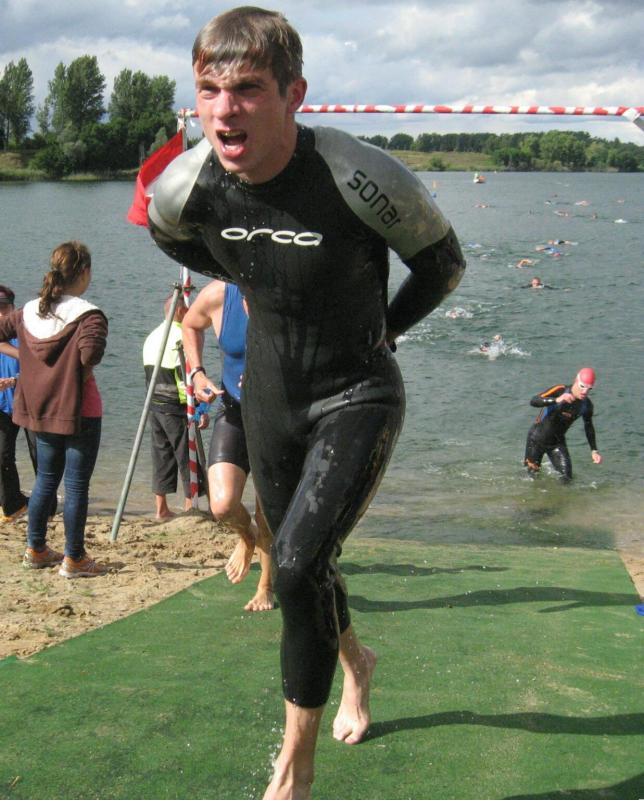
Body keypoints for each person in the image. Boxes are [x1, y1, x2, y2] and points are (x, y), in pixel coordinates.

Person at [147, 8, 465, 798]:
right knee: (304, 566)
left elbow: (443, 264)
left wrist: (389, 328)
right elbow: (169, 233)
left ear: (294, 94)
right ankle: (357, 662)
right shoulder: (189, 183)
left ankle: (295, 771)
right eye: (209, 90)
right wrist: (244, 266)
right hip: (269, 397)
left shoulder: (356, 175)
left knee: (293, 566)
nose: (224, 110)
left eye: (248, 89)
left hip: (357, 392)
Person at [0, 242, 109, 577]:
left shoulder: (29, 311)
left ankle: (36, 549)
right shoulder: (89, 315)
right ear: (85, 272)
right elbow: (90, 355)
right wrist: (70, 371)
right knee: (76, 485)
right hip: (80, 409)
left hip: (39, 407)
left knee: (45, 479)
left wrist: (27, 359)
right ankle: (74, 558)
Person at [182, 279, 274, 612]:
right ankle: (247, 536)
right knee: (221, 506)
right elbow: (190, 324)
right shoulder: (220, 294)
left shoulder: (284, 293)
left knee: (267, 511)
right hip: (234, 411)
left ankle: (266, 586)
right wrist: (197, 374)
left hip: (277, 418)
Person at [143, 294, 208, 519]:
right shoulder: (183, 336)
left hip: (155, 404)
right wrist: (199, 407)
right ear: (180, 311)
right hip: (176, 405)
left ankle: (161, 507)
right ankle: (191, 505)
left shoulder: (152, 336)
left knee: (161, 455)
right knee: (187, 455)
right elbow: (186, 378)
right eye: (189, 309)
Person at [524, 367, 602, 482]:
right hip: (536, 439)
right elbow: (534, 401)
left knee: (567, 479)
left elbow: (588, 426)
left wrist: (594, 450)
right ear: (576, 381)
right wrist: (556, 400)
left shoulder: (586, 405)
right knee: (531, 478)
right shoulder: (560, 390)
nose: (585, 391)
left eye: (589, 388)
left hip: (557, 443)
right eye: (582, 386)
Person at [0, 285, 33, 522]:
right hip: (2, 407)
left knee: (41, 457)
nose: (1, 314)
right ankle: (13, 505)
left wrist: (14, 380)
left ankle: (47, 506)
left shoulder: (26, 334)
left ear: (13, 308)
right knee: (2, 456)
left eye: (4, 308)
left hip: (29, 404)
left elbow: (41, 370)